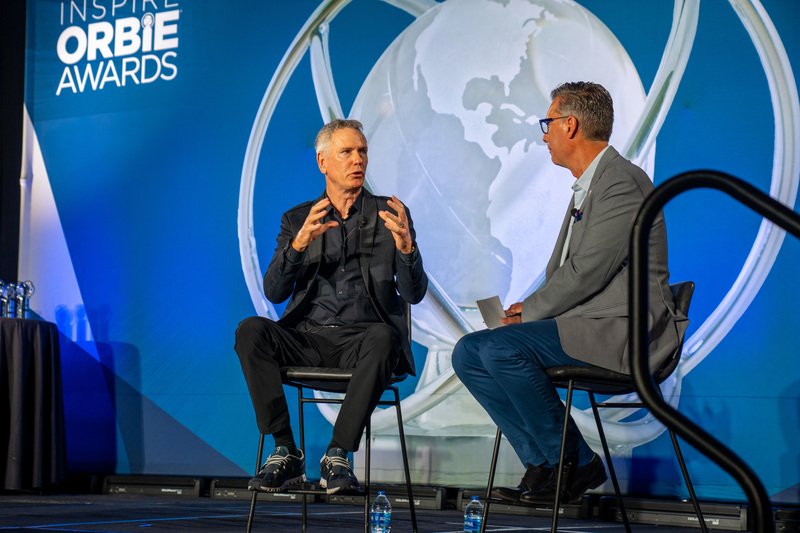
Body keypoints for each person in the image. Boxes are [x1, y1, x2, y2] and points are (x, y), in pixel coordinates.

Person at [452, 82, 686, 504]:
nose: (545, 135)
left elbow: (587, 272)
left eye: (549, 123)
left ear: (571, 125)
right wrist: (528, 311)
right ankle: (544, 464)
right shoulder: (592, 184)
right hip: (586, 324)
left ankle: (575, 462)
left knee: (503, 349)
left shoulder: (620, 183)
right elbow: (573, 273)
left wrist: (532, 312)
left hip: (620, 332)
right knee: (469, 352)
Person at [235, 119, 428, 495]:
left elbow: (414, 293)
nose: (358, 160)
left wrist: (407, 249)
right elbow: (274, 292)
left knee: (385, 337)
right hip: (307, 339)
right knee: (250, 331)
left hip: (365, 344)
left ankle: (337, 454)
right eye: (347, 152)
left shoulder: (390, 214)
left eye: (362, 151)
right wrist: (299, 245)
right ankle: (285, 450)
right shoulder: (297, 219)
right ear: (323, 162)